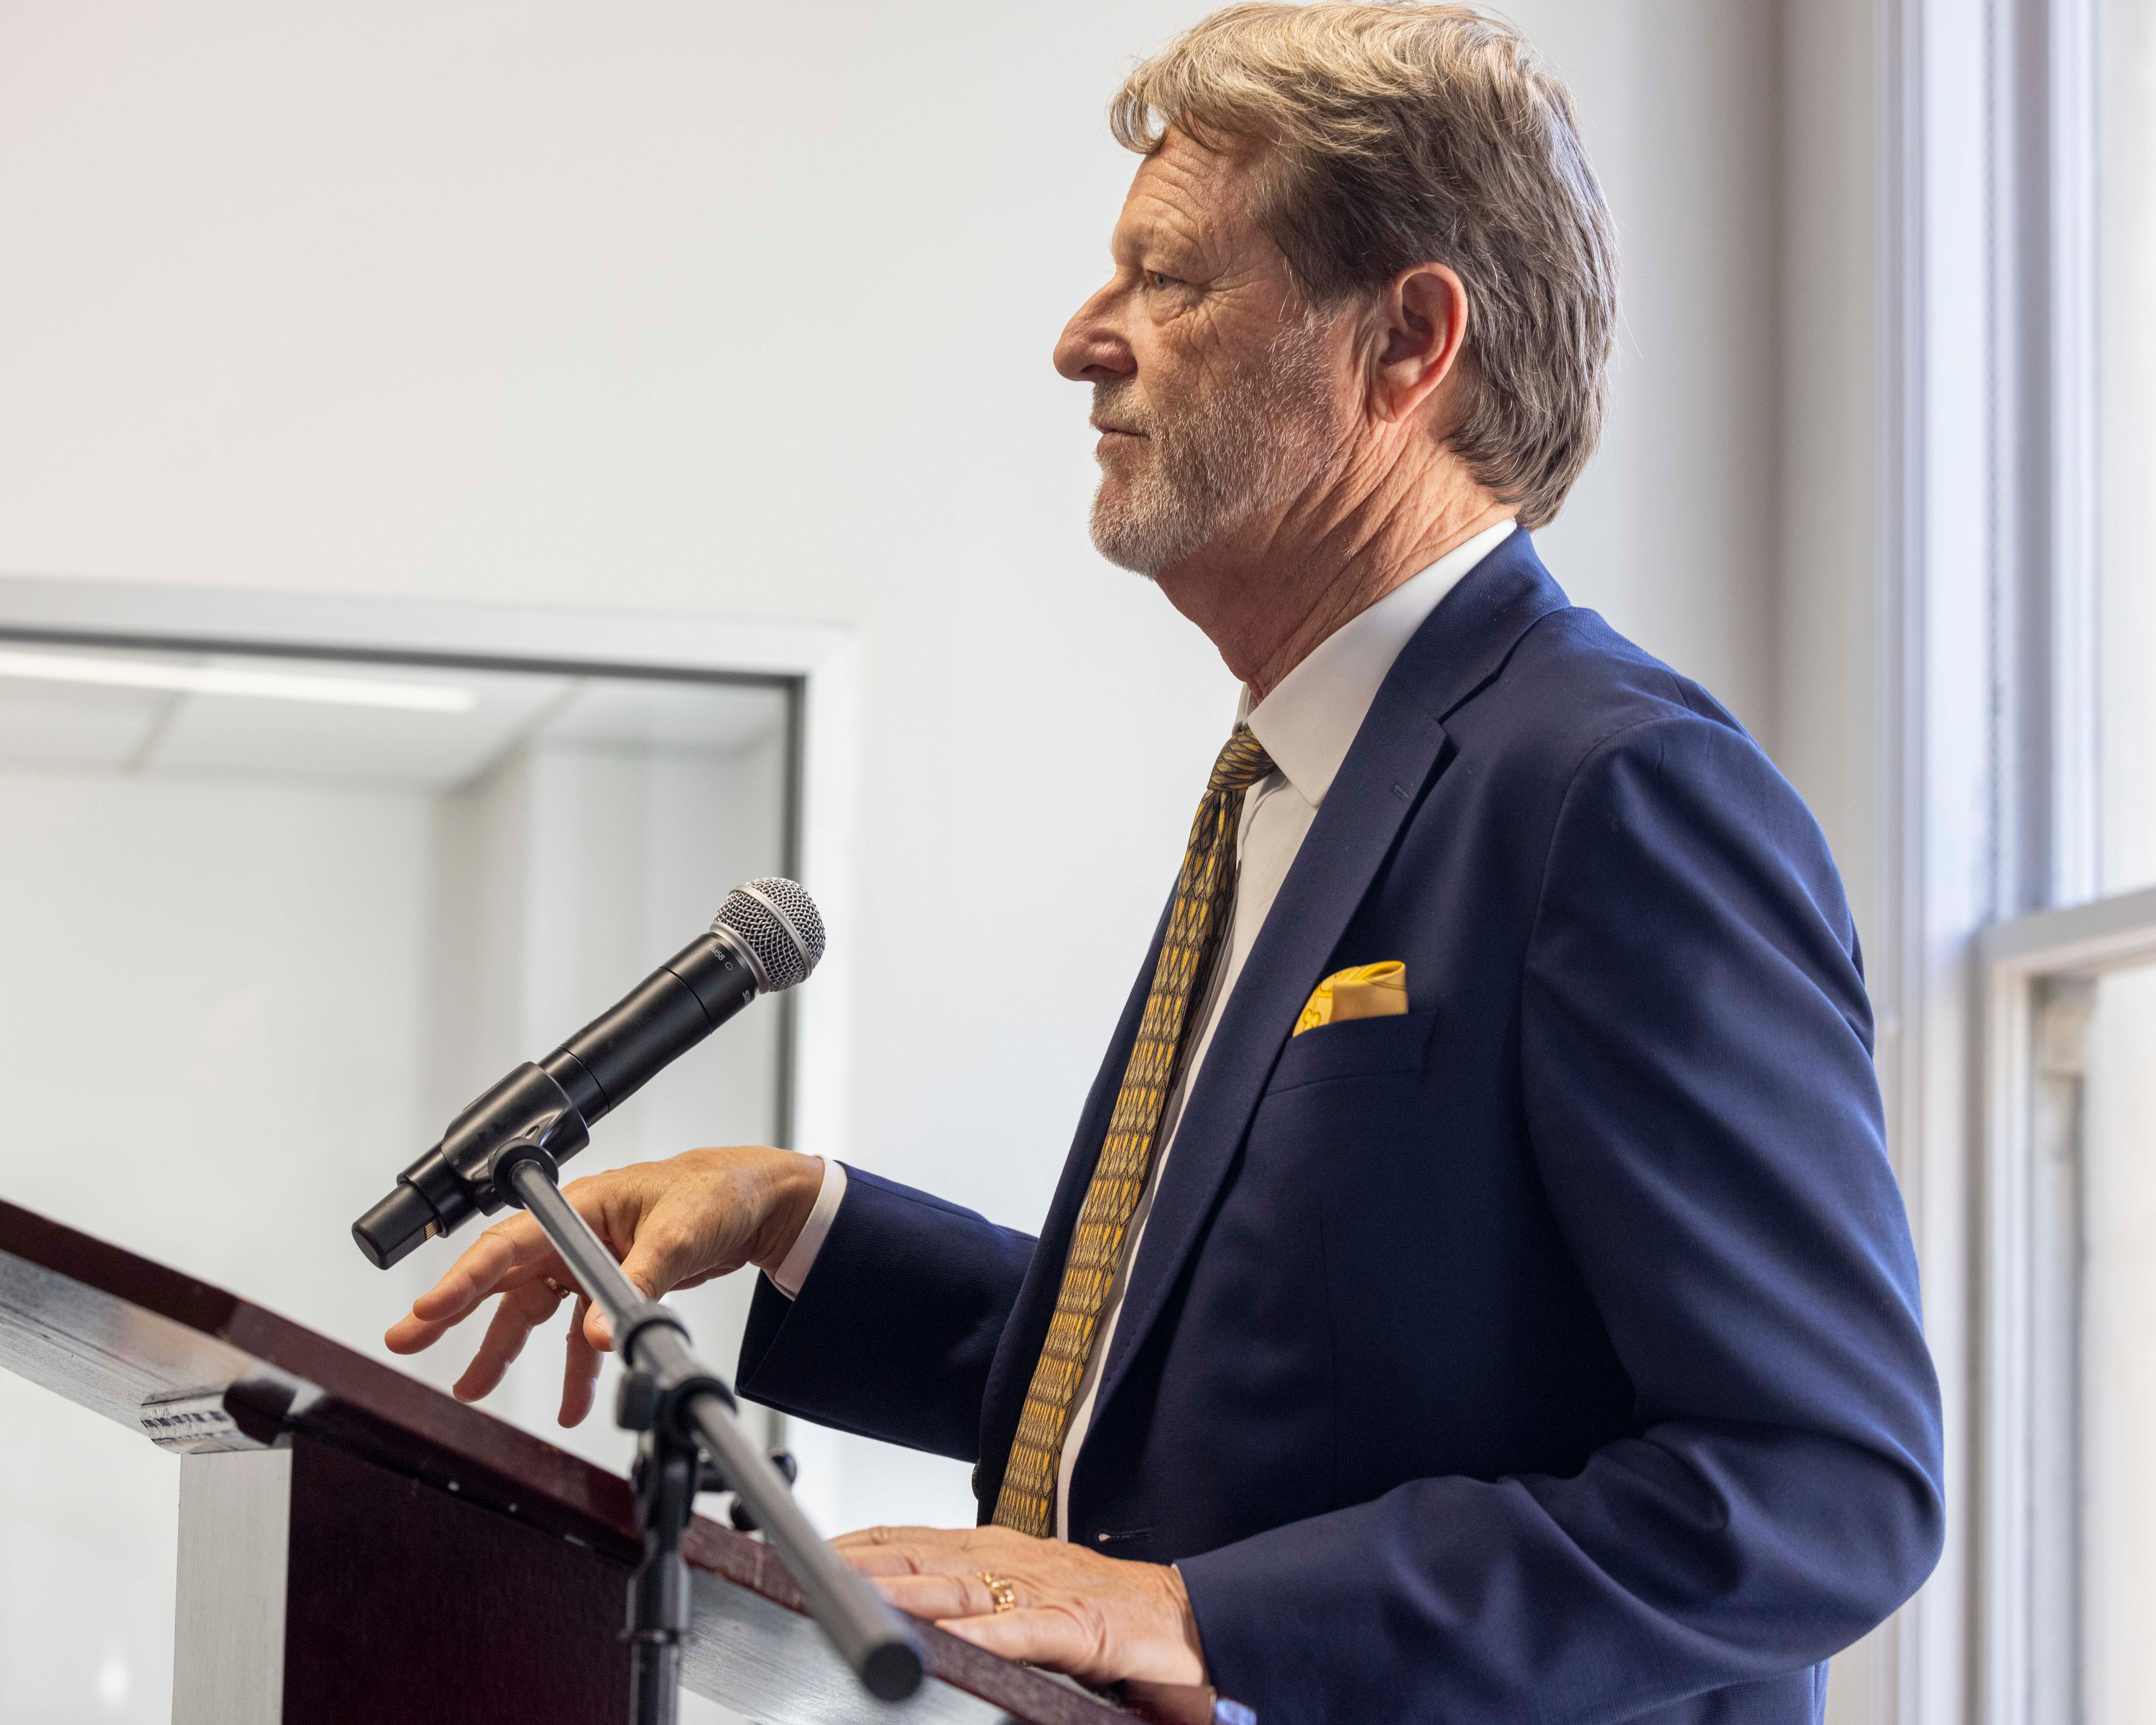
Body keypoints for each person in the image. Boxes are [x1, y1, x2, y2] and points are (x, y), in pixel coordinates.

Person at [387, 6, 1945, 1720]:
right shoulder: (1296, 777)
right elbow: (1207, 1384)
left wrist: (1204, 1619)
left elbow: (1826, 1489)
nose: (1082, 339)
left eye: (1171, 279)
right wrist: (799, 1221)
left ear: (1406, 343)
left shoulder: (1615, 791)